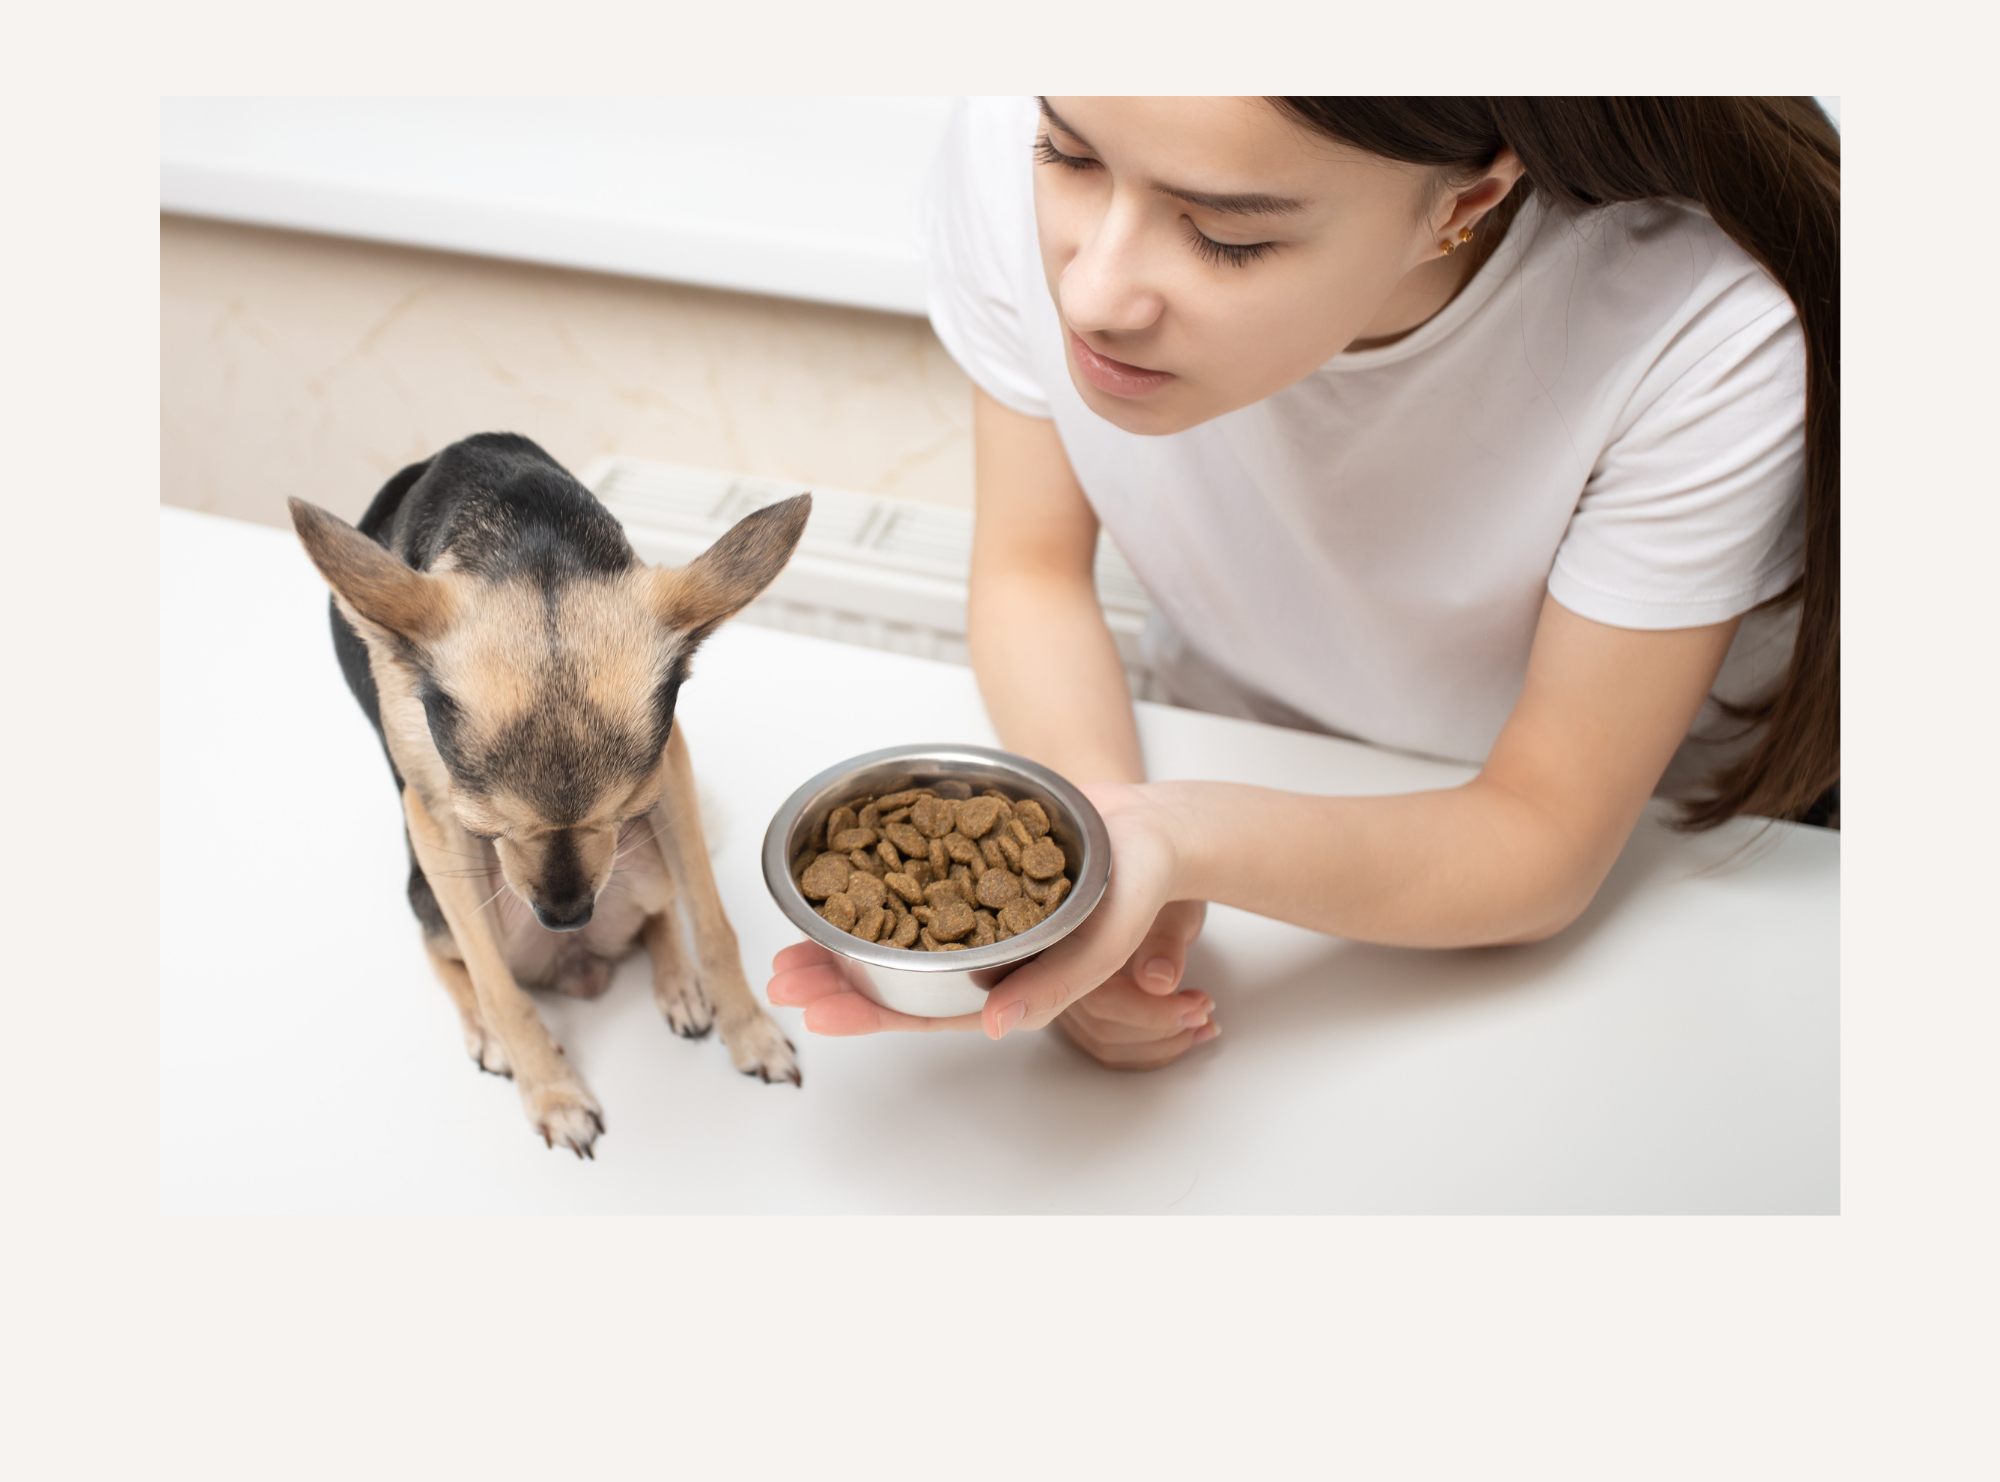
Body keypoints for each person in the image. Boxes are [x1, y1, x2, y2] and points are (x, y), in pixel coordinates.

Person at [768, 96, 1839, 1070]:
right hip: (1228, 748)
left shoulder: (1706, 327)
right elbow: (1031, 574)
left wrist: (1175, 842)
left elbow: (1543, 834)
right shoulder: (1030, 122)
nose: (1089, 292)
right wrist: (1096, 874)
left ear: (1462, 201)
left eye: (1226, 236)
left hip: (1665, 902)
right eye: (1069, 156)